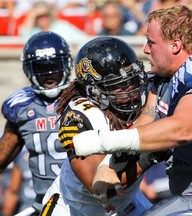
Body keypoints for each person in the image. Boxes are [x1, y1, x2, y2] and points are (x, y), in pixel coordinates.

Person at [72, 5, 192, 215]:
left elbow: (186, 128)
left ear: (175, 45)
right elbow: (146, 123)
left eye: (151, 42)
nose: (145, 49)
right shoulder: (166, 78)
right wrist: (107, 165)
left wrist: (102, 141)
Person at [40, 36, 171, 215]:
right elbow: (101, 187)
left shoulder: (143, 93)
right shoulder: (79, 116)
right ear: (93, 90)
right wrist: (152, 154)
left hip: (128, 204)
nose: (131, 90)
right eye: (119, 86)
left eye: (132, 80)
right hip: (76, 209)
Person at [0, 31, 72, 215]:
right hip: (45, 206)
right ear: (29, 69)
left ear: (66, 64)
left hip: (87, 205)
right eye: (41, 68)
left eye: (54, 66)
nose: (49, 74)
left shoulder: (84, 98)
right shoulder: (21, 106)